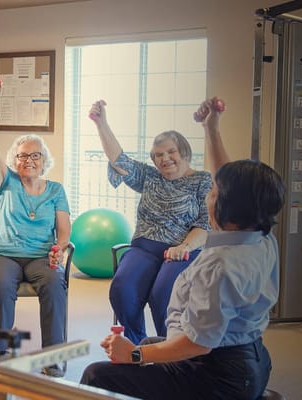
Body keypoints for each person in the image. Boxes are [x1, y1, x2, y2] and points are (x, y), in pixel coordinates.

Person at [80, 98, 285, 400]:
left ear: (228, 205)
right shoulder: (262, 237)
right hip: (249, 360)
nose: (208, 196)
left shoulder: (220, 267)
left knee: (97, 375)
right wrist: (211, 127)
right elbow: (229, 180)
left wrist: (135, 355)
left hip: (214, 374)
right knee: (146, 332)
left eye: (214, 193)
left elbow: (199, 343)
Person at [88, 100, 212, 345]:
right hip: (144, 247)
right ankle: (137, 347)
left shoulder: (202, 180)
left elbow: (204, 224)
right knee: (123, 289)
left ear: (184, 152)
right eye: (158, 155)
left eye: (170, 152)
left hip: (181, 251)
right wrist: (101, 123)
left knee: (163, 294)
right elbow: (118, 159)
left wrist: (184, 248)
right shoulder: (150, 176)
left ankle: (170, 349)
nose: (165, 158)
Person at [0, 78, 71, 377]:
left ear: (44, 160)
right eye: (22, 156)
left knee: (54, 285)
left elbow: (64, 227)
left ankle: (52, 356)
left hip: (39, 256)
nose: (28, 160)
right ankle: (5, 351)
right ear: (14, 160)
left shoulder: (56, 190)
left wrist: (59, 248)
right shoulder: (6, 181)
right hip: (3, 254)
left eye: (35, 155)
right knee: (4, 286)